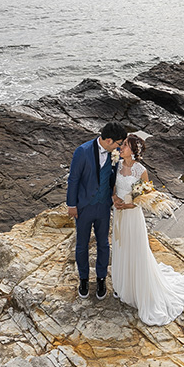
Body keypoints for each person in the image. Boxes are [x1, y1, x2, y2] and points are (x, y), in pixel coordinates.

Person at [110, 134, 184, 325]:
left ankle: (139, 291)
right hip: (119, 214)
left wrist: (127, 206)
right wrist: (115, 199)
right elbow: (113, 188)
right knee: (120, 247)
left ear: (133, 150)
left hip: (132, 216)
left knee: (135, 250)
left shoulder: (141, 171)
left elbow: (143, 200)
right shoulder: (116, 165)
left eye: (124, 145)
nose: (120, 147)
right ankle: (124, 287)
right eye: (121, 145)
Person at [66, 122, 129, 299]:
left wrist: (114, 197)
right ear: (109, 140)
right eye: (119, 143)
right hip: (84, 207)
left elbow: (113, 178)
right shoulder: (82, 151)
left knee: (103, 243)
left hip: (103, 206)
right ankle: (84, 279)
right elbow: (74, 179)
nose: (120, 146)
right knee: (82, 244)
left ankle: (101, 278)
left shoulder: (114, 154)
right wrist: (72, 205)